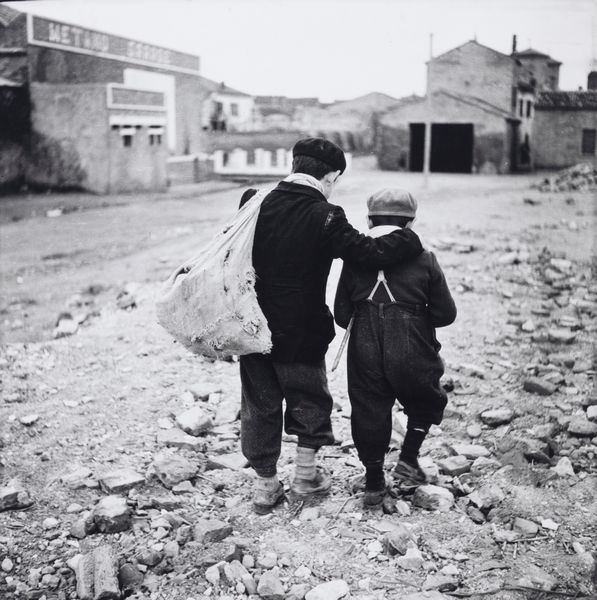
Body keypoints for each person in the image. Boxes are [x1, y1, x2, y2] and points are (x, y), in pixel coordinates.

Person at [238, 139, 424, 514]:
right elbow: (368, 253)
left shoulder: (253, 200)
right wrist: (408, 238)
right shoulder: (325, 214)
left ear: (294, 164)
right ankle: (305, 477)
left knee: (259, 404)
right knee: (309, 399)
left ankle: (265, 486)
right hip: (301, 329)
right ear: (331, 175)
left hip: (250, 324)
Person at [334, 188, 456, 508]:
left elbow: (341, 314)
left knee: (368, 407)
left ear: (369, 220)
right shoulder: (425, 258)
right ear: (411, 223)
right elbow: (446, 314)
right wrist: (415, 318)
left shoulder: (353, 257)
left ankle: (374, 483)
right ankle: (409, 460)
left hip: (364, 341)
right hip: (413, 339)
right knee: (424, 396)